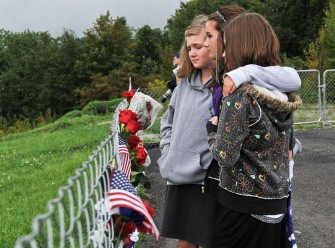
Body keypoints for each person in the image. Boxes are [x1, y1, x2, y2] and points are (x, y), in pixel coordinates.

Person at [158, 6, 302, 248]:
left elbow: (226, 154)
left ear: (230, 39)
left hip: (228, 189)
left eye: (208, 38)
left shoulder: (236, 85)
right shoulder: (189, 83)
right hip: (264, 197)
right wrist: (167, 153)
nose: (203, 46)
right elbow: (169, 122)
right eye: (193, 45)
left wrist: (213, 131)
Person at [206, 12, 302, 248]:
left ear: (241, 47)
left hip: (240, 208)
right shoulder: (283, 96)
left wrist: (212, 130)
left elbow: (225, 157)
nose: (225, 55)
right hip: (275, 206)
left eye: (228, 47)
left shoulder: (239, 97)